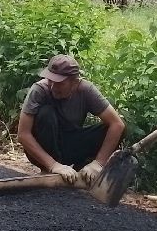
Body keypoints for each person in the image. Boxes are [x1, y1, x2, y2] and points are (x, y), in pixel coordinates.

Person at [17, 55, 125, 186]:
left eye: (59, 83)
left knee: (118, 128)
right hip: (45, 147)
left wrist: (98, 163)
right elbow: (23, 134)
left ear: (74, 82)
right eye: (50, 80)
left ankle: (85, 171)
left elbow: (117, 124)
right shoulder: (39, 90)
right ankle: (48, 169)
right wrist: (53, 165)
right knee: (46, 113)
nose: (52, 86)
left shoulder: (86, 90)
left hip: (70, 144)